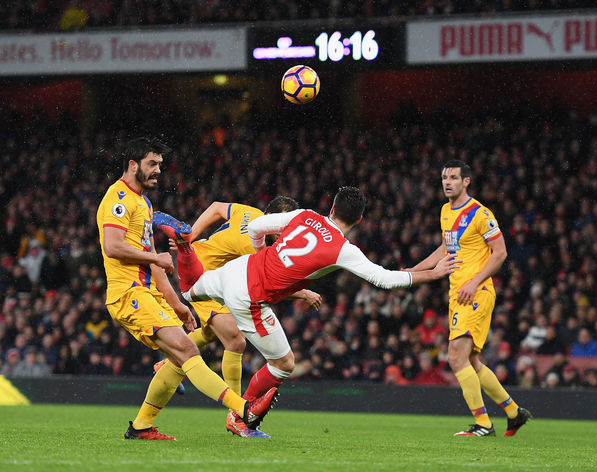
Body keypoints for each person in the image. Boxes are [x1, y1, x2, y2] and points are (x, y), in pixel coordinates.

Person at [172, 186, 458, 436]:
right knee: (283, 364)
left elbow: (258, 226)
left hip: (236, 269)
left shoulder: (305, 215)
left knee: (189, 290)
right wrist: (432, 275)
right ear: (358, 220)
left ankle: (182, 251)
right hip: (250, 298)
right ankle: (239, 413)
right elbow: (384, 279)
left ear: (332, 207)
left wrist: (260, 253)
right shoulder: (343, 249)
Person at [96, 137, 277, 441]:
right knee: (188, 350)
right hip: (128, 294)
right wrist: (155, 256)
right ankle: (243, 410)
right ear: (132, 165)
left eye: (160, 165)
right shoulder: (118, 200)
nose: (157, 170)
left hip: (147, 292)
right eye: (152, 164)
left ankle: (141, 426)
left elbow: (156, 265)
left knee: (180, 359)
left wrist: (177, 303)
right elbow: (112, 247)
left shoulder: (142, 202)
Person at [151, 195, 322, 438]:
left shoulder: (250, 214)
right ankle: (238, 416)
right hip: (204, 276)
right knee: (235, 340)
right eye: (284, 227)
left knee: (211, 332)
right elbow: (270, 283)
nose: (286, 234)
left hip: (207, 268)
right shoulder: (255, 244)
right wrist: (304, 293)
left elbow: (217, 207)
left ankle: (167, 362)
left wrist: (191, 237)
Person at [405, 160, 532, 437]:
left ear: (466, 181)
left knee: (455, 357)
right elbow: (444, 249)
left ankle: (484, 424)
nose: (447, 182)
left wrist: (474, 282)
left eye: (453, 177)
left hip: (475, 292)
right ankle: (513, 412)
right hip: (457, 293)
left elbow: (500, 253)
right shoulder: (445, 212)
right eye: (443, 177)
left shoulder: (480, 213)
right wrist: (415, 270)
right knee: (472, 362)